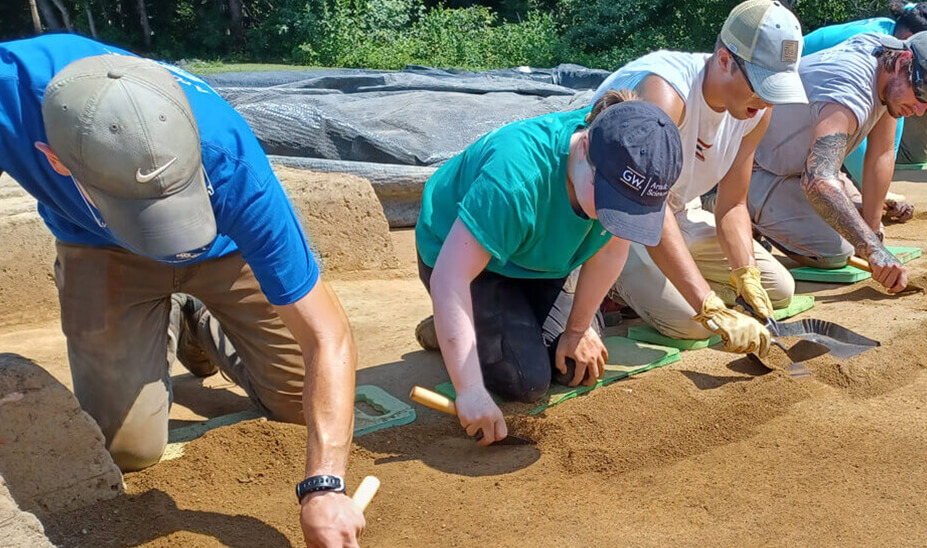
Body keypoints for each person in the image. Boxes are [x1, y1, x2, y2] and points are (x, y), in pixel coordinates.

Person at [0, 35, 364, 546]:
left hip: (223, 250)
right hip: (102, 251)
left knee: (300, 404)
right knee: (128, 450)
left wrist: (324, 486)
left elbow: (328, 337)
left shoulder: (232, 162)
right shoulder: (7, 98)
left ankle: (201, 314)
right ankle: (157, 311)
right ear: (55, 160)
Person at [418, 92, 741, 446]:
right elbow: (451, 276)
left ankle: (477, 325)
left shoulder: (634, 166)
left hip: (544, 261)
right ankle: (451, 324)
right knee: (526, 381)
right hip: (469, 264)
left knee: (575, 366)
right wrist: (469, 390)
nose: (612, 215)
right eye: (608, 199)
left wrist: (578, 328)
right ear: (585, 147)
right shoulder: (515, 177)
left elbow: (611, 248)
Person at [591, 0, 807, 341]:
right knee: (691, 322)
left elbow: (733, 205)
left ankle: (672, 283)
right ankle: (610, 287)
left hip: (676, 209)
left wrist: (745, 272)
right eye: (761, 86)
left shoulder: (755, 112)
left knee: (777, 290)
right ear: (725, 60)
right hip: (620, 220)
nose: (767, 101)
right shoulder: (667, 93)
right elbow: (647, 206)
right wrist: (707, 302)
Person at [748, 31, 927, 293]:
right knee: (838, 251)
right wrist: (871, 250)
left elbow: (882, 153)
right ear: (902, 61)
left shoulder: (888, 68)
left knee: (859, 231)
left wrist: (873, 233)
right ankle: (731, 209)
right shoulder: (850, 85)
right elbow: (818, 181)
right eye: (920, 95)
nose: (919, 110)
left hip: (803, 167)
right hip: (757, 169)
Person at [801, 1, 927, 174]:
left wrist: (882, 184)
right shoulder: (871, 54)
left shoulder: (893, 48)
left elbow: (889, 142)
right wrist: (872, 190)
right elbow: (848, 133)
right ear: (908, 40)